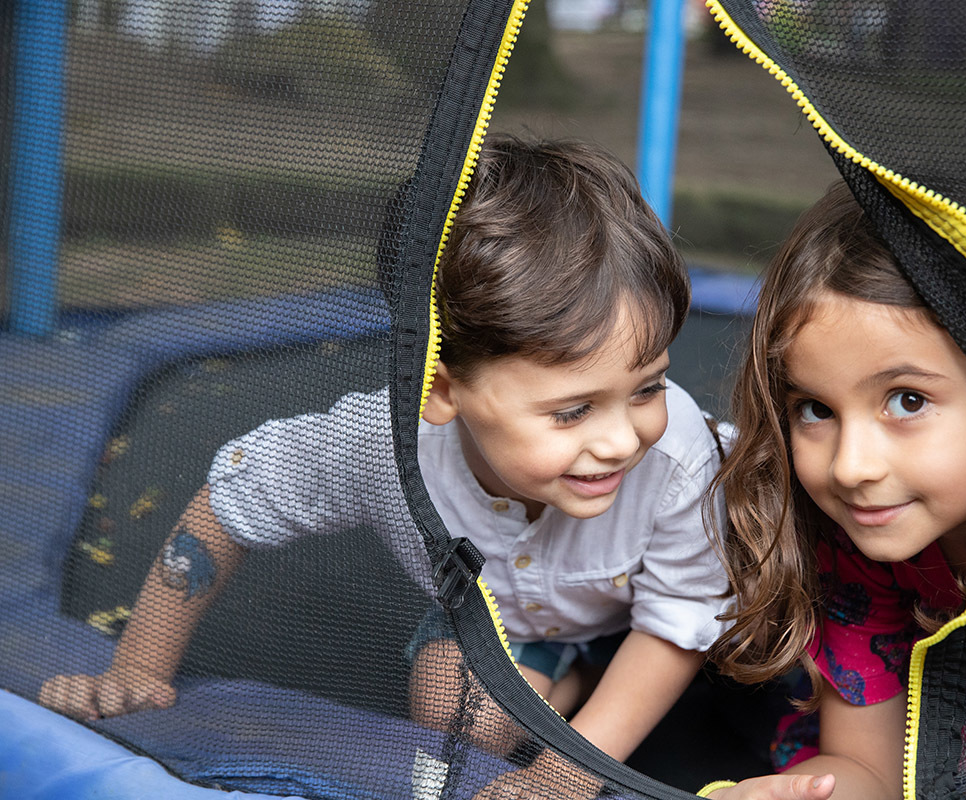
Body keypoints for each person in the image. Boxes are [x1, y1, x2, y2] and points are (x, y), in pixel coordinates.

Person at [38, 136, 730, 768]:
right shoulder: (384, 445)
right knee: (453, 719)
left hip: (691, 596)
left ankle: (594, 688)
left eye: (647, 386)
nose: (620, 440)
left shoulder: (679, 459)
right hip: (511, 620)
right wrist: (137, 666)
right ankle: (573, 678)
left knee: (761, 631)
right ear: (443, 389)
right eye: (572, 410)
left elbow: (676, 626)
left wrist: (569, 772)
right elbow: (232, 502)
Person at [694, 180, 966, 800]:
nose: (851, 468)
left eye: (907, 401)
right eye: (814, 409)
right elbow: (870, 772)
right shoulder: (861, 539)